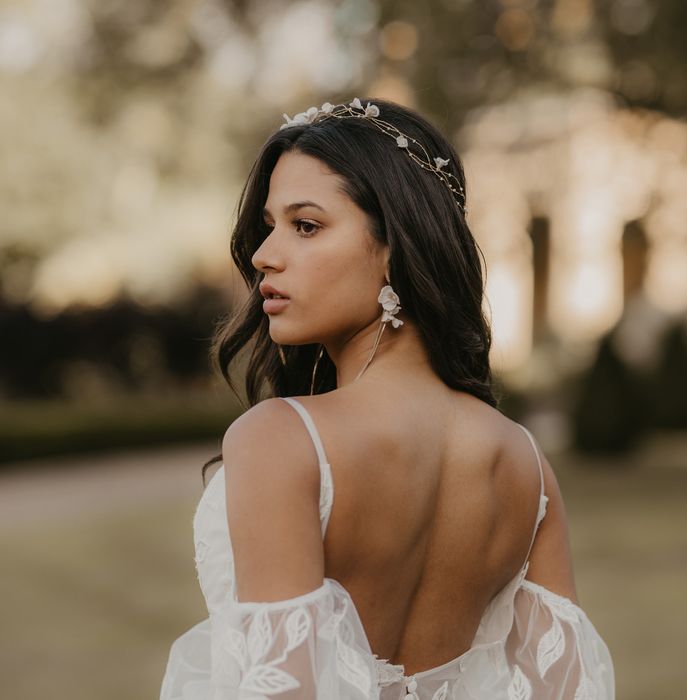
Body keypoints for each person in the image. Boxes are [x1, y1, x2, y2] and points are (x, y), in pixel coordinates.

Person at [159, 97, 615, 699]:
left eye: (306, 225)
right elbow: (567, 688)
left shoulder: (283, 438)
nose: (263, 255)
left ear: (396, 246)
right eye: (269, 226)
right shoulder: (525, 462)